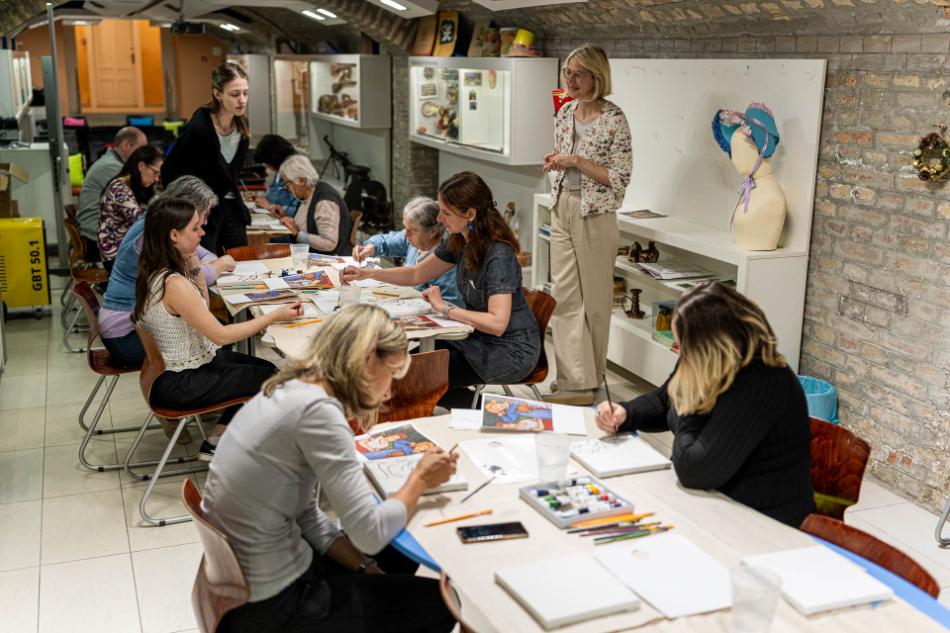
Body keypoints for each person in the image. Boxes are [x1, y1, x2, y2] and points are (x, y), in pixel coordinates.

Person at [203, 304, 457, 633]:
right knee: (444, 602)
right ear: (368, 358)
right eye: (391, 374)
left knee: (398, 550)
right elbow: (369, 534)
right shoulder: (317, 412)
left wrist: (366, 567)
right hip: (277, 603)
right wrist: (420, 479)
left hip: (248, 583)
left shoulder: (292, 386)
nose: (388, 391)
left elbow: (306, 514)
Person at [595, 282, 814, 527]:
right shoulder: (712, 360)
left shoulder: (760, 380)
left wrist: (688, 407)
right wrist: (627, 413)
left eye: (684, 347)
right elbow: (666, 399)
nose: (680, 353)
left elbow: (693, 469)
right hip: (716, 503)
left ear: (709, 345)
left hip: (764, 523)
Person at [343, 172, 539, 409]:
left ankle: (494, 412)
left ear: (470, 214)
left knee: (418, 378)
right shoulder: (460, 240)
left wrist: (446, 309)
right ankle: (481, 409)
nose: (439, 217)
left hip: (510, 351)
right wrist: (368, 273)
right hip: (477, 338)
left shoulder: (498, 255)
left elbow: (497, 323)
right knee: (399, 368)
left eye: (446, 212)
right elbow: (417, 274)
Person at [133, 197, 302, 460]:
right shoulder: (173, 284)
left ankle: (219, 439)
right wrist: (273, 316)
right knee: (271, 379)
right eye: (195, 228)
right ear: (174, 235)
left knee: (267, 369)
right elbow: (220, 335)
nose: (202, 233)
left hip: (179, 369)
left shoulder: (157, 270)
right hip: (181, 381)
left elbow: (202, 307)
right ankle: (223, 444)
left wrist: (194, 265)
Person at [543, 45, 632, 405]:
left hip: (595, 213)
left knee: (594, 302)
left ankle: (589, 381)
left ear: (597, 76)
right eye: (567, 72)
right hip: (562, 205)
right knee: (564, 297)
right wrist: (556, 162)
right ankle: (573, 381)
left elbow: (620, 177)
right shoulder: (565, 112)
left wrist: (577, 161)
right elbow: (565, 159)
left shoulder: (614, 119)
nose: (571, 80)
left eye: (578, 74)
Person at [100, 176, 236, 368]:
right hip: (125, 336)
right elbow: (189, 280)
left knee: (215, 333)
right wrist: (218, 265)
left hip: (134, 325)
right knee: (216, 339)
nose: (205, 223)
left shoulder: (160, 224)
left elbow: (204, 256)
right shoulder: (153, 236)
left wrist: (204, 264)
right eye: (204, 215)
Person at [162, 62, 251, 253]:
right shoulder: (200, 126)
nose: (242, 100)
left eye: (245, 93)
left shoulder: (242, 126)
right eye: (235, 94)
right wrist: (186, 210)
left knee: (241, 258)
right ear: (218, 94)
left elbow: (231, 174)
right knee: (206, 259)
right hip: (202, 208)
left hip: (230, 204)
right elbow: (169, 169)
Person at [353, 196, 460, 306]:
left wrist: (369, 273)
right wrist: (370, 248)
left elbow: (450, 305)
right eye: (405, 227)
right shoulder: (413, 238)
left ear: (433, 232)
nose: (405, 234)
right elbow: (385, 241)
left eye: (413, 229)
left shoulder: (448, 258)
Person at [76, 126, 147, 260]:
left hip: (99, 232)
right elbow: (134, 208)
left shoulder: (111, 162)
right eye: (142, 149)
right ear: (125, 145)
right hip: (97, 239)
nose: (144, 155)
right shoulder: (112, 167)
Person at [97, 144, 164, 271]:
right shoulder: (119, 189)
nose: (156, 179)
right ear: (141, 166)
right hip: (116, 256)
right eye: (155, 172)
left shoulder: (130, 186)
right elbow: (141, 224)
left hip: (124, 250)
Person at [275, 154, 351, 256]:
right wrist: (287, 218)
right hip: (308, 253)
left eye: (288, 183)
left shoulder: (325, 202)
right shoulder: (308, 194)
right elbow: (305, 223)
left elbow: (329, 243)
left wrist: (297, 234)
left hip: (328, 258)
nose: (287, 188)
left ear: (302, 181)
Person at [251, 134, 300, 217]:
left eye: (266, 162)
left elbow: (299, 210)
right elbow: (274, 195)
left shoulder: (295, 174)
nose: (265, 166)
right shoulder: (280, 172)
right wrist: (260, 199)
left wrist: (270, 207)